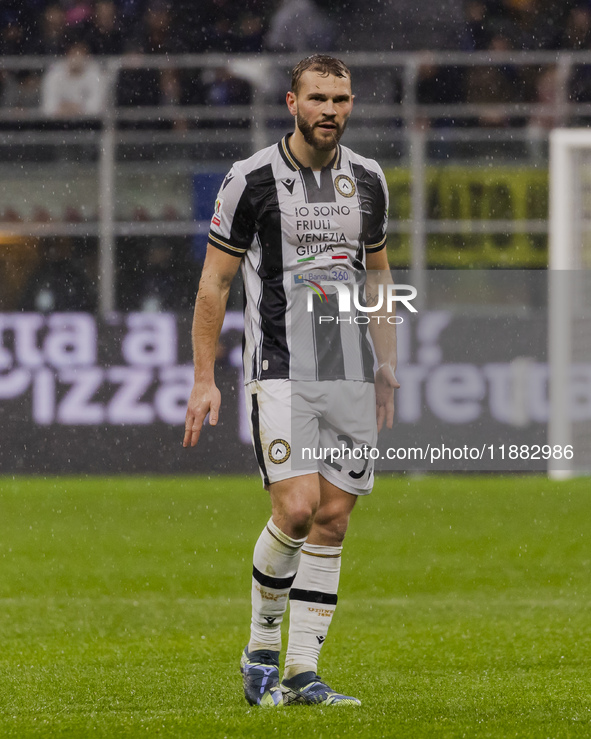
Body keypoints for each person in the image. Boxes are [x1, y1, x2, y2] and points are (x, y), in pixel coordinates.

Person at [183, 55, 399, 708]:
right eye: (317, 98)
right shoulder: (249, 179)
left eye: (340, 99)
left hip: (350, 370)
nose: (330, 109)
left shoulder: (368, 179)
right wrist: (204, 378)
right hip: (278, 367)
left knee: (332, 520)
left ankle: (303, 671)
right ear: (291, 102)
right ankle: (259, 648)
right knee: (297, 508)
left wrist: (386, 364)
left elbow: (378, 275)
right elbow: (215, 281)